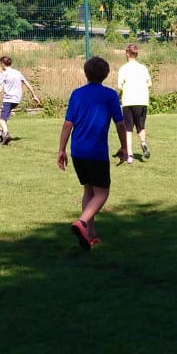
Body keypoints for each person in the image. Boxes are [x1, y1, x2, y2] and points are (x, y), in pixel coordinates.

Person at [58, 56, 130, 249]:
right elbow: (120, 124)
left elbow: (68, 124)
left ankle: (90, 234)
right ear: (106, 74)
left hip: (77, 151)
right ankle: (82, 223)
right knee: (102, 192)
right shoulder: (110, 95)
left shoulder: (77, 94)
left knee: (89, 190)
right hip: (96, 152)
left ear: (86, 73)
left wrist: (61, 150)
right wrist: (125, 147)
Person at [0, 55, 44, 145]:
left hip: (8, 99)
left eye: (1, 64)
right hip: (17, 100)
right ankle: (0, 132)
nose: (1, 66)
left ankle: (6, 134)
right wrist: (34, 95)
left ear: (3, 64)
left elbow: (0, 90)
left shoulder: (3, 74)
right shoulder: (17, 73)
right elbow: (27, 83)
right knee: (5, 116)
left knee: (2, 120)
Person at [116, 43, 153, 161]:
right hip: (142, 101)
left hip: (128, 101)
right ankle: (143, 143)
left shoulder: (123, 68)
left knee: (128, 128)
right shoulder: (143, 68)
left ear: (127, 53)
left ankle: (130, 155)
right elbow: (150, 84)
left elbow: (120, 86)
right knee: (141, 126)